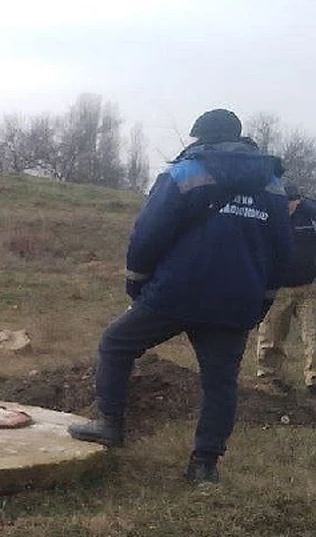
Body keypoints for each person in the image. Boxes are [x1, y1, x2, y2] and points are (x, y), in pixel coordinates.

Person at [67, 108, 293, 484]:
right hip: (236, 301)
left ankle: (110, 423)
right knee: (220, 382)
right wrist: (262, 299)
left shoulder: (186, 173)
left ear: (201, 137)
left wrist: (137, 284)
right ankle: (204, 465)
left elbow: (147, 234)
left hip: (176, 292)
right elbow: (282, 251)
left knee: (116, 343)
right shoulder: (271, 184)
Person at [255, 183, 316, 396]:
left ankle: (313, 379)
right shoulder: (268, 216)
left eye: (292, 202)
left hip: (308, 287)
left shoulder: (310, 215)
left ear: (298, 201)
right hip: (278, 288)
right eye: (285, 202)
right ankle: (269, 378)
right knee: (272, 335)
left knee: (313, 335)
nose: (288, 206)